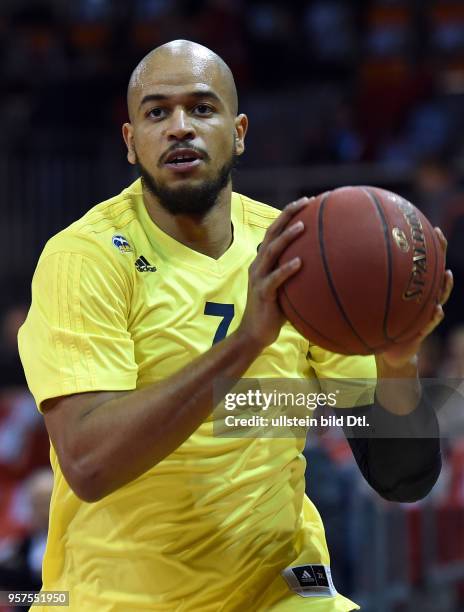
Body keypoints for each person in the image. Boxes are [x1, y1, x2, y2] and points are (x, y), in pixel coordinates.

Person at [17, 40, 453, 611]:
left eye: (202, 108)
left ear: (239, 131)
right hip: (122, 597)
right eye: (157, 111)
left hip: (280, 589)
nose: (180, 127)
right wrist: (249, 339)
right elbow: (90, 464)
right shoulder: (85, 258)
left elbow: (402, 480)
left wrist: (397, 363)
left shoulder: (298, 254)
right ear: (130, 142)